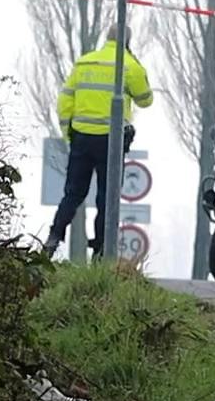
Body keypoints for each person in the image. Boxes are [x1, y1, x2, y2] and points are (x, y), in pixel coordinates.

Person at [43, 24, 154, 258]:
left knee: (73, 193)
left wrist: (68, 133)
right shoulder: (129, 65)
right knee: (107, 198)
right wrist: (135, 62)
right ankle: (101, 251)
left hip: (81, 138)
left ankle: (53, 238)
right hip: (110, 142)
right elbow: (146, 99)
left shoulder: (84, 62)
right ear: (127, 42)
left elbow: (65, 100)